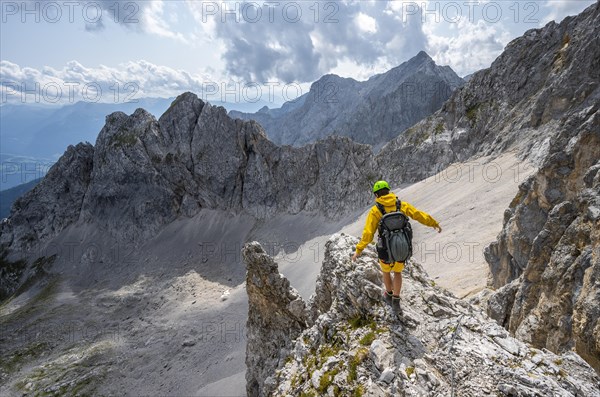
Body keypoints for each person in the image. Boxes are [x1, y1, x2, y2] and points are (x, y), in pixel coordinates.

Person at [352, 180, 442, 308]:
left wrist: (358, 250)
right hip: (402, 246)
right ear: (389, 191)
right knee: (398, 273)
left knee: (386, 272)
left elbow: (368, 233)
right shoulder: (401, 205)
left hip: (385, 249)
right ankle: (396, 299)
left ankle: (388, 294)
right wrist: (433, 223)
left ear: (377, 195)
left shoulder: (375, 211)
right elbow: (418, 215)